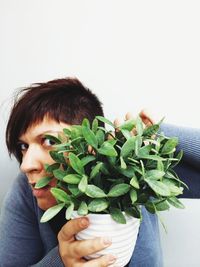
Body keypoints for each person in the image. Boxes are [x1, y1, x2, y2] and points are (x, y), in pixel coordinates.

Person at [0, 77, 199, 267]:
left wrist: (155, 136)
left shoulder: (133, 169)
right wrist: (60, 261)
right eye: (23, 146)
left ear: (91, 144)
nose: (26, 164)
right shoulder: (26, 191)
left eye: (49, 141)